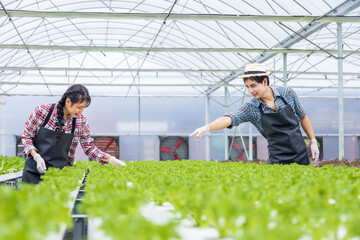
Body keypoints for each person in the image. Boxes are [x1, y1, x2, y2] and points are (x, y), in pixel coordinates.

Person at [190, 63, 320, 165]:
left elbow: (303, 116)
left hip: (300, 154)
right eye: (247, 87)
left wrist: (313, 140)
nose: (250, 90)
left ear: (264, 81)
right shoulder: (252, 108)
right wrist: (207, 128)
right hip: (278, 158)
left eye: (253, 85)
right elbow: (229, 119)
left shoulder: (288, 94)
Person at [21, 84, 126, 184]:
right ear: (68, 102)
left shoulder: (80, 121)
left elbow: (89, 147)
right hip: (33, 173)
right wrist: (36, 157)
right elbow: (26, 137)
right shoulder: (42, 111)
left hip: (59, 175)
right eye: (79, 107)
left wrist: (110, 159)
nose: (81, 111)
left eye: (84, 108)